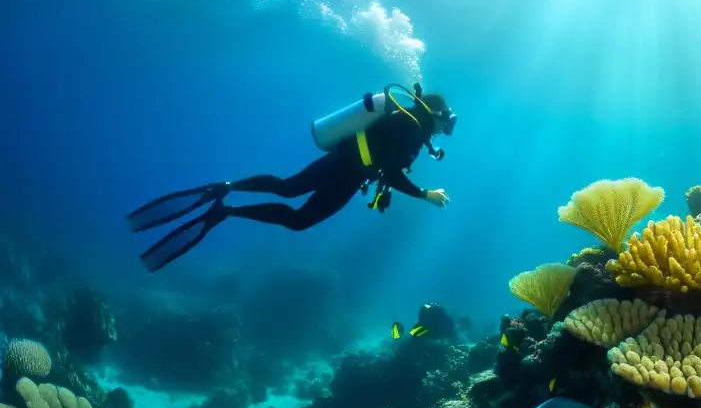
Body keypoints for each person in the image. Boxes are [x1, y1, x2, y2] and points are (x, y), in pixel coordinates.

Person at [128, 85, 457, 273]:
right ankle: (226, 200)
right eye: (448, 121)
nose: (447, 128)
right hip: (345, 167)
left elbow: (388, 166)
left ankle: (226, 199)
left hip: (348, 171)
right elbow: (394, 170)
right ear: (436, 114)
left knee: (293, 202)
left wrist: (393, 186)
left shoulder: (410, 126)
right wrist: (423, 194)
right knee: (292, 197)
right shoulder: (413, 127)